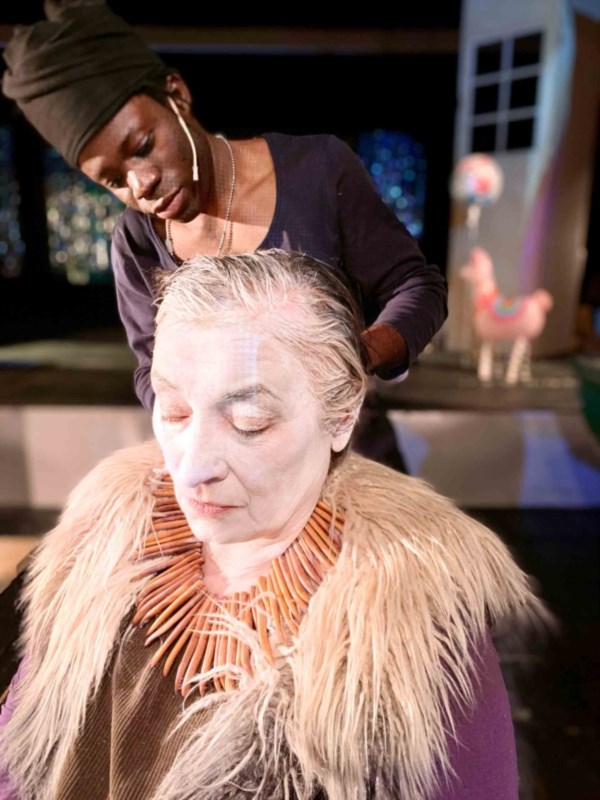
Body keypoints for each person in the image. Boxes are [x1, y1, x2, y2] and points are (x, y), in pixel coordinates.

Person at [0, 249, 542, 799]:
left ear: (342, 416)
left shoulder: (412, 631)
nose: (192, 466)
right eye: (174, 410)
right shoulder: (100, 551)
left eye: (249, 423)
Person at [2, 0, 447, 421]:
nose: (141, 185)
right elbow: (151, 370)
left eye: (143, 146)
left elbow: (417, 287)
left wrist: (349, 361)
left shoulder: (318, 172)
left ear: (177, 95)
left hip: (340, 451)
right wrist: (195, 431)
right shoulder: (138, 241)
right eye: (114, 181)